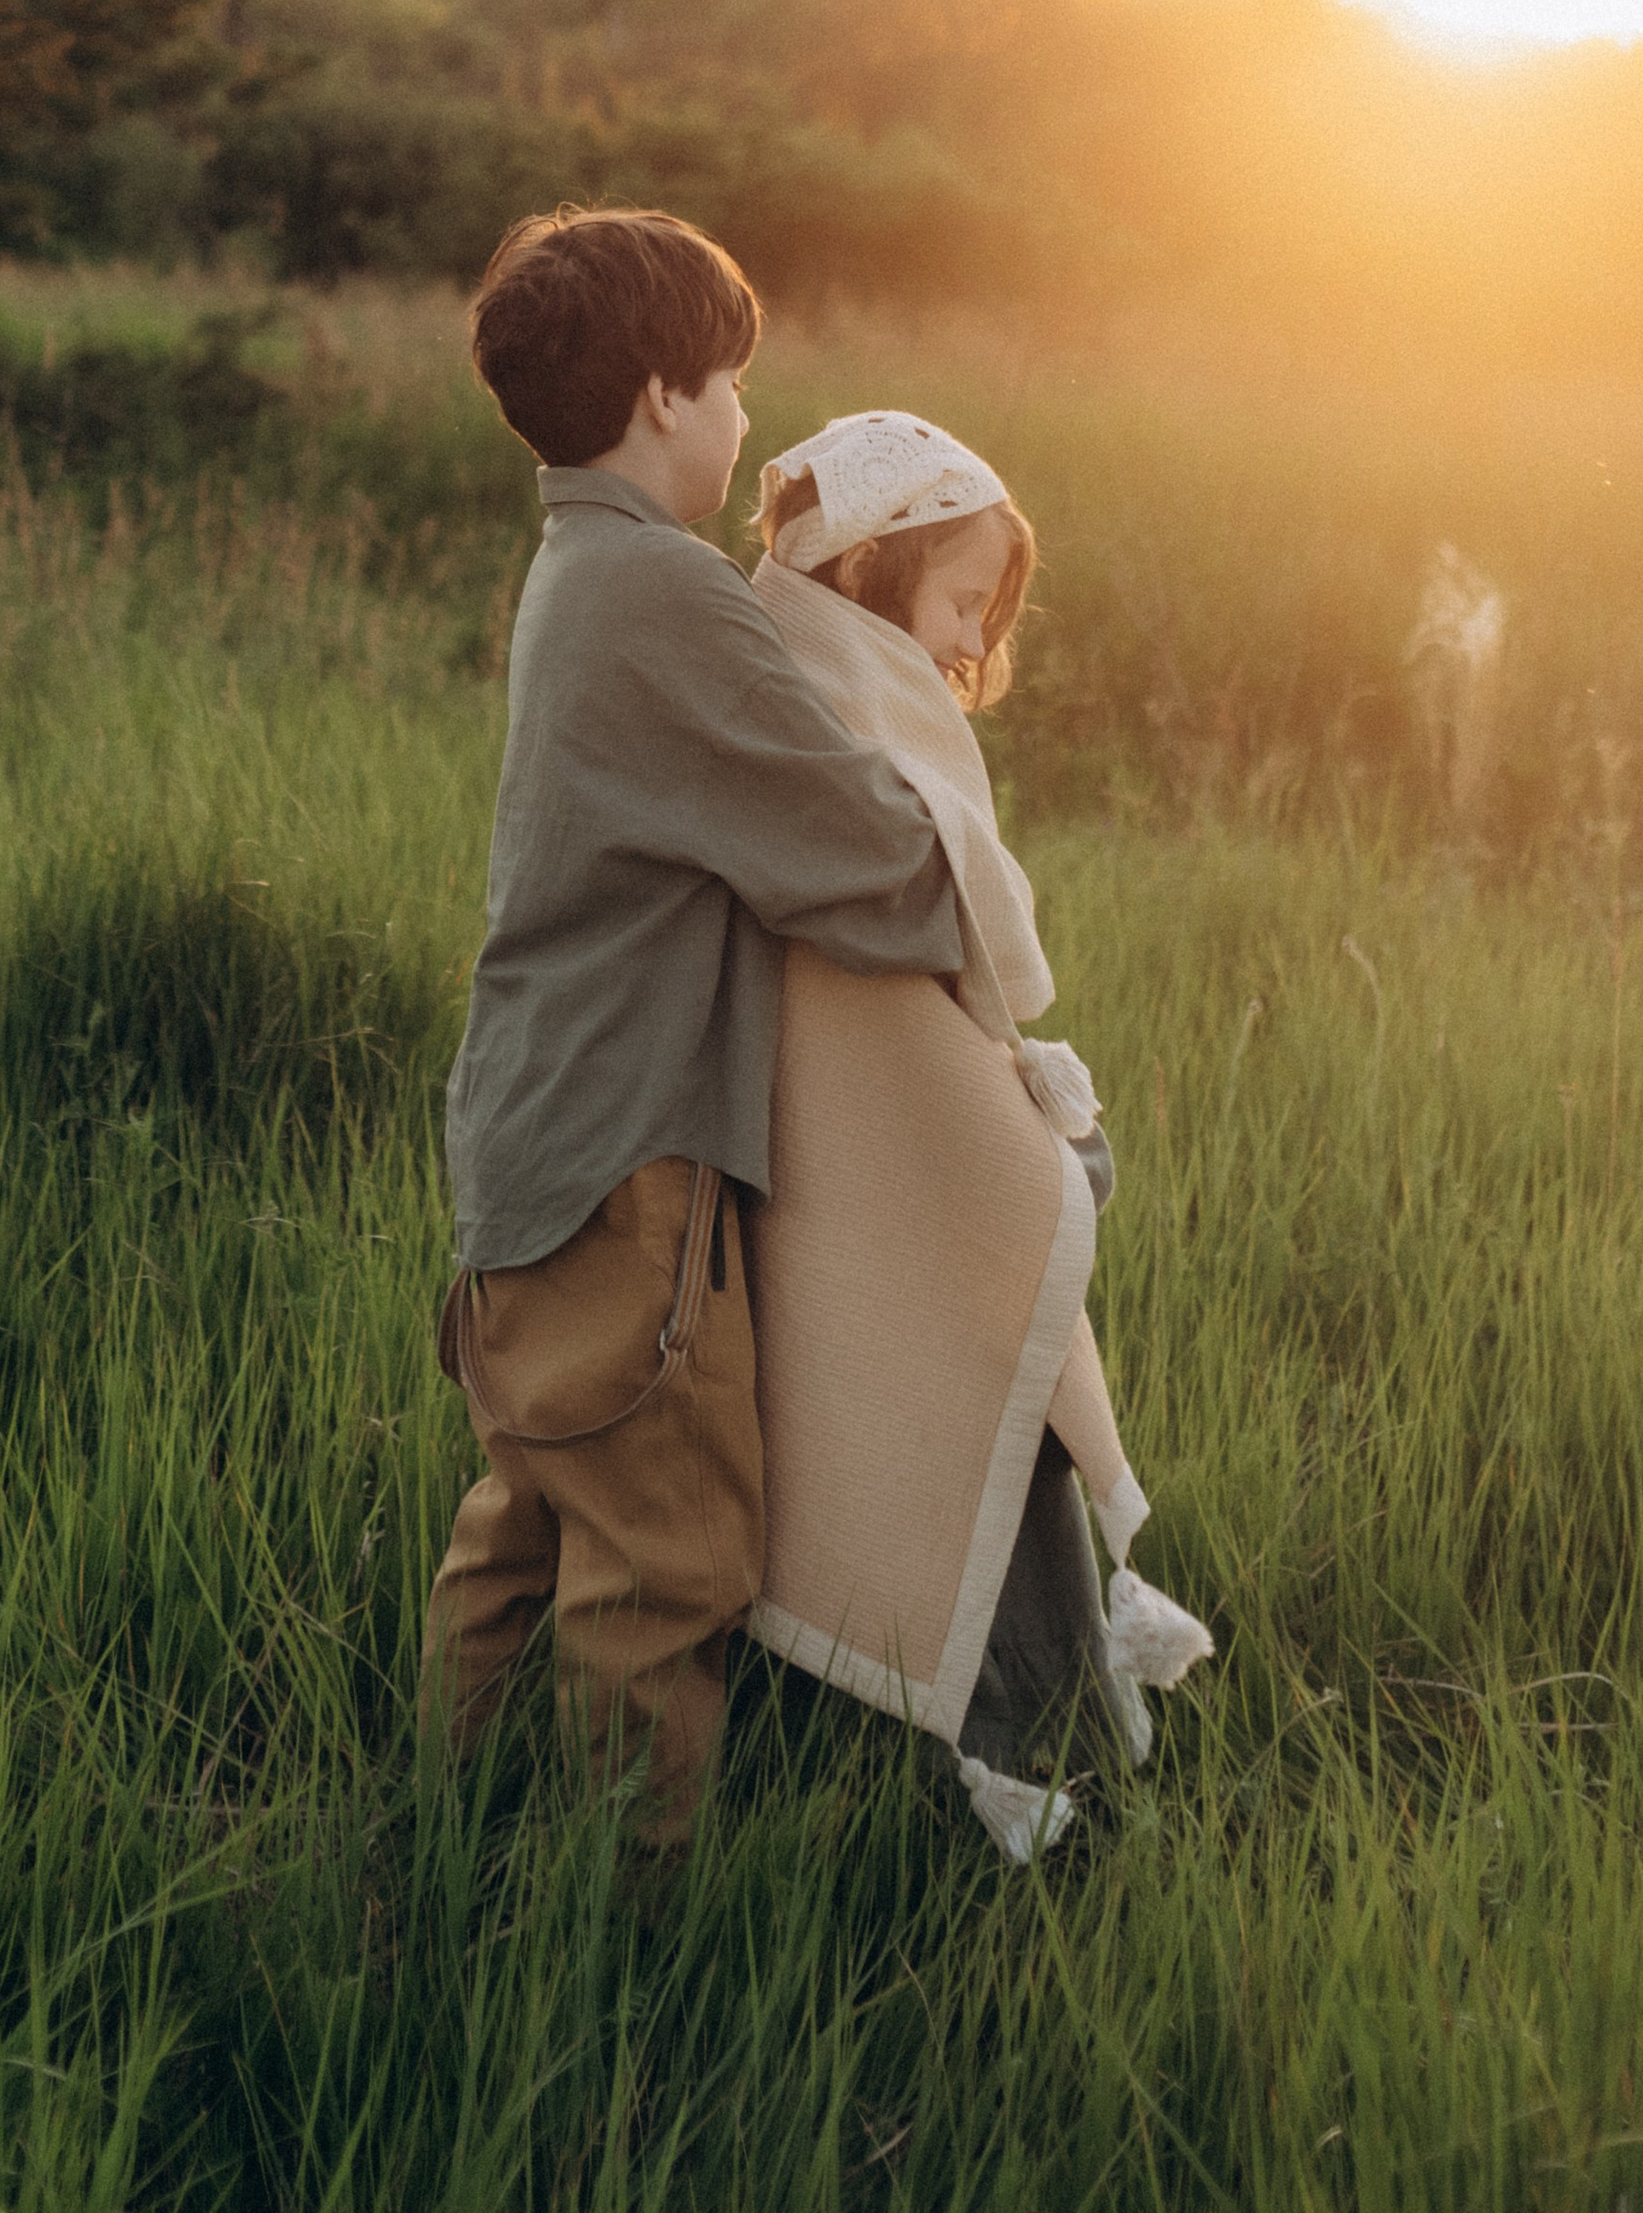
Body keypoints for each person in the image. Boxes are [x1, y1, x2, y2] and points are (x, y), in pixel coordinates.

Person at [421, 213, 968, 1850]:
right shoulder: (662, 591)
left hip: (532, 1142)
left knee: (532, 1527)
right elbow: (873, 869)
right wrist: (959, 830)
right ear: (662, 396)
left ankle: (446, 1864)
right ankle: (619, 1959)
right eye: (729, 382)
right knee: (667, 1572)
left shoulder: (581, 567)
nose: (744, 422)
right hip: (621, 1163)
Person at [742, 410, 1213, 1858]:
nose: (969, 642)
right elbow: (905, 924)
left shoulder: (846, 690)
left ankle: (1052, 1715)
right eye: (958, 601)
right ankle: (1021, 1755)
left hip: (914, 1126)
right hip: (874, 1146)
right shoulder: (829, 708)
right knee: (978, 1412)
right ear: (873, 574)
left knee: (1010, 1412)